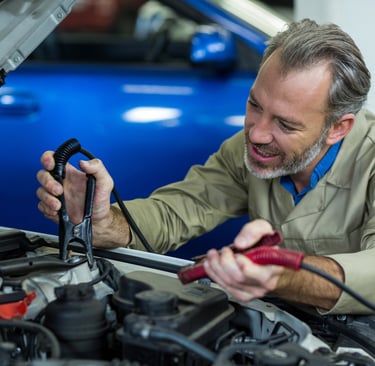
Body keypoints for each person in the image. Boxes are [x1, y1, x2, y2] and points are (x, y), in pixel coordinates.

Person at [36, 19, 375, 315]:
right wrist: (106, 221)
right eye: (254, 104)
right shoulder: (245, 151)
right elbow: (177, 211)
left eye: (285, 125)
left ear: (338, 128)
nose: (256, 133)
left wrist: (281, 273)